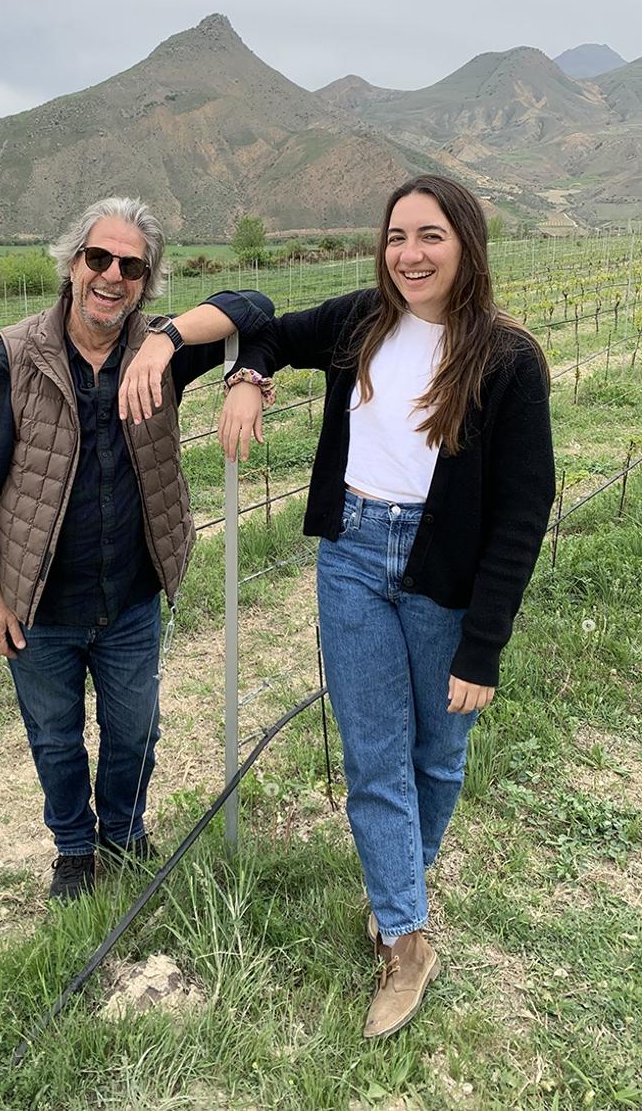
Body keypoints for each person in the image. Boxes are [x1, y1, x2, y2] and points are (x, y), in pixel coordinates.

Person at [208, 175, 554, 1036]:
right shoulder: (360, 320)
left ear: (465, 244)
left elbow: (522, 512)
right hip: (354, 554)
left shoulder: (507, 359)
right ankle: (404, 937)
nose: (410, 253)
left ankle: (398, 880)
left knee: (438, 752)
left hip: (445, 572)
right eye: (397, 236)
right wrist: (247, 376)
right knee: (373, 755)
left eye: (430, 235)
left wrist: (482, 646)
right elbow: (271, 331)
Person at [0, 196, 273, 900]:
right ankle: (72, 847)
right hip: (39, 602)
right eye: (99, 258)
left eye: (132, 266)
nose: (112, 276)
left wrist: (171, 343)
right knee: (54, 736)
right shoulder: (13, 358)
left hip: (129, 597)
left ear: (146, 282)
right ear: (73, 264)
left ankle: (123, 834)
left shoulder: (158, 354)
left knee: (134, 732)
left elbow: (256, 307)